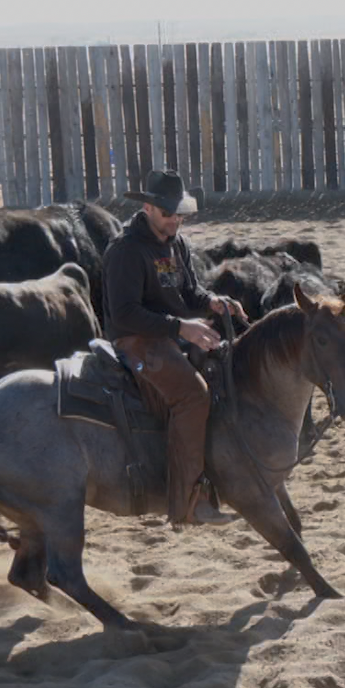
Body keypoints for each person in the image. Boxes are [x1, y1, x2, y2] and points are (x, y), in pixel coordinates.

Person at [102, 169, 247, 526]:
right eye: (168, 213)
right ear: (148, 208)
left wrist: (213, 302)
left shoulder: (176, 243)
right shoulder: (126, 250)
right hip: (134, 340)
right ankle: (187, 502)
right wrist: (182, 327)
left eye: (179, 213)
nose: (175, 220)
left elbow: (190, 292)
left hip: (168, 335)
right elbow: (125, 314)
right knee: (193, 396)